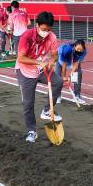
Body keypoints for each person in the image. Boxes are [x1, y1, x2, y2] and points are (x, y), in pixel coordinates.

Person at [16, 11, 63, 143]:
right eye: (43, 29)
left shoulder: (52, 37)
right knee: (28, 103)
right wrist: (39, 62)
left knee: (58, 82)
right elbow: (21, 58)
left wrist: (51, 62)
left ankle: (47, 110)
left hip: (42, 69)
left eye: (48, 29)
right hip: (25, 71)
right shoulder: (27, 36)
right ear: (37, 25)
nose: (46, 32)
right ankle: (32, 131)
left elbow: (54, 54)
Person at [55, 39, 87, 105]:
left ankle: (77, 95)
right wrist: (64, 77)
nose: (79, 51)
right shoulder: (67, 50)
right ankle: (57, 96)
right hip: (61, 60)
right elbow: (64, 65)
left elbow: (76, 64)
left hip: (73, 61)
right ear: (74, 46)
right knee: (58, 77)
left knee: (78, 73)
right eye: (78, 49)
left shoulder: (84, 52)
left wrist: (70, 77)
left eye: (81, 50)